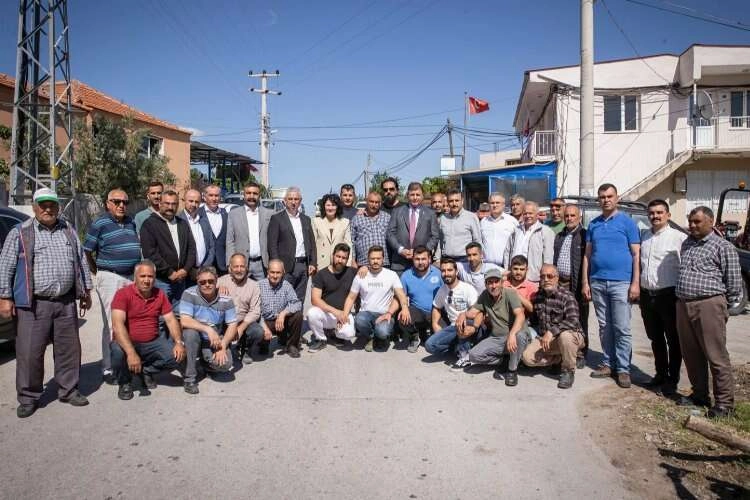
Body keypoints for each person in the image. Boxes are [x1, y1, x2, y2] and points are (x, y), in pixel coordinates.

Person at [0, 188, 93, 418]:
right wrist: (5, 297)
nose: (48, 209)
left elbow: (81, 260)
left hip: (66, 302)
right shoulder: (20, 232)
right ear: (34, 207)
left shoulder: (68, 230)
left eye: (52, 205)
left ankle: (69, 390)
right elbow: (6, 266)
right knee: (29, 352)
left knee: (68, 350)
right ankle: (28, 397)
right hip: (33, 304)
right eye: (43, 205)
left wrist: (86, 290)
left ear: (58, 207)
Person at [676, 206, 742, 418]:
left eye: (697, 221)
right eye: (690, 221)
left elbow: (734, 283)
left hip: (709, 305)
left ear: (711, 221)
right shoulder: (687, 243)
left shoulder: (723, 246)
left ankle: (725, 404)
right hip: (684, 304)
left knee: (716, 355)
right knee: (691, 354)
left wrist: (722, 307)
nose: (692, 225)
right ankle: (700, 395)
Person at [582, 183, 640, 388]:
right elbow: (587, 255)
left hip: (621, 283)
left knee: (621, 327)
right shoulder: (593, 224)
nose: (606, 200)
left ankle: (623, 369)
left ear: (617, 198)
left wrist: (635, 283)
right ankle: (608, 363)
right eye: (602, 197)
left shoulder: (628, 223)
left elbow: (636, 254)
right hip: (597, 281)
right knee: (604, 326)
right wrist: (586, 282)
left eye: (609, 196)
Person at [83, 188, 141, 385]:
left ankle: (127, 361)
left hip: (130, 277)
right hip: (110, 277)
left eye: (124, 202)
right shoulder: (100, 223)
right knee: (112, 323)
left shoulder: (131, 221)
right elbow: (87, 251)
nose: (121, 205)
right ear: (107, 203)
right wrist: (97, 272)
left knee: (130, 322)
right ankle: (109, 368)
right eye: (116, 201)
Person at [110, 260, 187, 399]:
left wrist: (178, 342)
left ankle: (145, 371)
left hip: (152, 341)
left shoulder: (160, 294)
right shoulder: (122, 294)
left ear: (155, 278)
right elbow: (117, 325)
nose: (146, 280)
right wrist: (131, 353)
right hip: (128, 342)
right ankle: (125, 382)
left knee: (177, 357)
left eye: (150, 276)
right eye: (143, 276)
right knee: (117, 351)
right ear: (135, 277)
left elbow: (170, 319)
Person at [639, 199, 687, 395]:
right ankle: (660, 374)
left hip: (668, 296)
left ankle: (672, 380)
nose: (655, 216)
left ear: (668, 215)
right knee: (655, 338)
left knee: (673, 339)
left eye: (659, 212)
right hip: (646, 295)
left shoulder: (679, 238)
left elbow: (685, 267)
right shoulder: (644, 236)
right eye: (652, 213)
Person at [522, 264, 585, 389]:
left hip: (570, 335)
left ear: (557, 278)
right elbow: (533, 321)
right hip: (547, 340)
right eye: (543, 276)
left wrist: (551, 332)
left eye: (550, 276)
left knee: (565, 337)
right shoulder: (538, 297)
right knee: (527, 358)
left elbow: (573, 321)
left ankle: (568, 371)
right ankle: (559, 359)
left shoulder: (567, 296)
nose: (546, 279)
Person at [179, 266, 238, 393]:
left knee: (225, 364)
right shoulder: (189, 294)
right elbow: (184, 320)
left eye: (211, 281)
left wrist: (223, 346)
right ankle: (189, 379)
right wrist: (208, 330)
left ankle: (205, 364)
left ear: (216, 281)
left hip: (213, 340)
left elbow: (232, 325)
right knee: (190, 333)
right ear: (197, 281)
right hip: (195, 337)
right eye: (202, 282)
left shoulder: (226, 299)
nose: (207, 284)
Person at [465, 268, 528, 386]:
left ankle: (512, 370)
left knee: (519, 336)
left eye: (496, 282)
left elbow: (520, 315)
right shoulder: (485, 295)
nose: (493, 286)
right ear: (486, 285)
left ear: (502, 282)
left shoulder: (510, 293)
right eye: (490, 282)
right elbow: (472, 312)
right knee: (473, 356)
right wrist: (462, 315)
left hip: (515, 335)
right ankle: (507, 359)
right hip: (497, 337)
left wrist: (512, 334)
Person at [342, 246, 409, 352]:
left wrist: (404, 308)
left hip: (385, 314)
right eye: (372, 258)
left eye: (378, 258)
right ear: (368, 259)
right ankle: (372, 337)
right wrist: (345, 314)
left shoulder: (391, 275)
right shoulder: (360, 275)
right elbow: (351, 297)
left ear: (383, 259)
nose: (375, 261)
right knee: (359, 320)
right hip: (366, 314)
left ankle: (381, 337)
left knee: (383, 331)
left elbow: (400, 294)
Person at [140, 190, 196, 308]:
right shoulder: (149, 224)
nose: (170, 207)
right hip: (161, 281)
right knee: (160, 314)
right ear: (160, 203)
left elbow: (191, 249)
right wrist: (169, 272)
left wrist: (185, 269)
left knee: (180, 314)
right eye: (167, 203)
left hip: (181, 280)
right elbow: (150, 253)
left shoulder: (182, 224)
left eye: (174, 204)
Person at [424, 258, 479, 364]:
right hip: (452, 327)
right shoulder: (442, 290)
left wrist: (464, 315)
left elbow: (477, 310)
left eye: (449, 270)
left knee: (462, 325)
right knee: (430, 345)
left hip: (468, 324)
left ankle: (465, 356)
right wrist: (435, 324)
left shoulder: (467, 288)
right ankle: (458, 348)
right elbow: (436, 307)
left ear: (456, 272)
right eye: (443, 271)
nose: (446, 274)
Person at [554, 204, 589, 368]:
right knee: (561, 317)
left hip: (576, 283)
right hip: (560, 283)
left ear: (579, 217)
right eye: (566, 216)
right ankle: (563, 351)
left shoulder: (584, 235)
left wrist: (585, 284)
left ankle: (581, 353)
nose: (569, 218)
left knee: (579, 318)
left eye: (572, 215)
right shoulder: (560, 235)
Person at [267, 187, 317, 302]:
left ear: (300, 201)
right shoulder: (277, 219)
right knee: (283, 300)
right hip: (285, 267)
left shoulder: (306, 219)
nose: (293, 202)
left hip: (303, 266)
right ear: (285, 201)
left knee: (299, 301)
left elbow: (311, 243)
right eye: (290, 199)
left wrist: (312, 262)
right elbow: (272, 245)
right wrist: (276, 266)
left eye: (296, 199)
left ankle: (297, 315)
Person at [307, 243, 358, 351]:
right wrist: (336, 312)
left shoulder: (352, 272)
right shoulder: (321, 274)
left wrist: (365, 269)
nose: (340, 260)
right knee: (312, 313)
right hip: (326, 313)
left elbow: (368, 272)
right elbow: (315, 300)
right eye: (338, 256)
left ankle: (335, 334)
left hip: (344, 314)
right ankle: (321, 339)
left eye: (344, 258)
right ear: (333, 255)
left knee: (349, 334)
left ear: (347, 259)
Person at [217, 254, 266, 364]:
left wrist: (241, 328)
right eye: (236, 266)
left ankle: (246, 349)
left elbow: (255, 311)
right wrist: (216, 289)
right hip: (224, 322)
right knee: (225, 360)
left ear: (246, 268)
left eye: (242, 266)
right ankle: (225, 345)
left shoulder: (254, 285)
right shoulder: (220, 281)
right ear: (230, 268)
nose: (239, 270)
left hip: (243, 321)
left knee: (258, 331)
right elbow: (204, 289)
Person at [386, 181, 439, 274]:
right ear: (407, 195)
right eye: (412, 195)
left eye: (418, 195)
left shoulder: (430, 213)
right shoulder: (397, 211)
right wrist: (401, 250)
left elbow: (435, 236)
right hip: (400, 264)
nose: (415, 197)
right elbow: (390, 234)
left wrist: (422, 252)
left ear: (422, 196)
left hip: (422, 263)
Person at [397, 246, 443, 353]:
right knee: (403, 318)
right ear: (413, 259)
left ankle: (426, 332)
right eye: (417, 259)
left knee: (441, 339)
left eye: (423, 259)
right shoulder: (406, 276)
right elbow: (401, 295)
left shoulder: (439, 273)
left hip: (436, 312)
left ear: (429, 259)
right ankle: (414, 336)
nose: (420, 262)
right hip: (418, 311)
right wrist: (404, 308)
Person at [225, 181, 274, 281]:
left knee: (262, 291)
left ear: (259, 195)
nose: (251, 196)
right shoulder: (233, 214)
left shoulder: (269, 214)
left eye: (255, 193)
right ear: (244, 195)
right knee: (240, 291)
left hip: (262, 265)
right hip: (240, 265)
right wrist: (230, 263)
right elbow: (230, 241)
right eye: (248, 193)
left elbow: (273, 240)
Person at [258, 259, 304, 358]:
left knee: (298, 315)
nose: (275, 276)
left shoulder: (286, 285)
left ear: (283, 273)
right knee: (258, 330)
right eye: (272, 272)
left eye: (278, 273)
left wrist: (283, 313)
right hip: (266, 321)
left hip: (281, 320)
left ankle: (292, 345)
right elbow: (255, 311)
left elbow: (297, 303)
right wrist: (264, 328)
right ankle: (263, 344)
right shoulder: (259, 286)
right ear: (267, 272)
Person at [503, 201, 555, 283]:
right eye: (525, 213)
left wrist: (545, 277)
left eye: (530, 213)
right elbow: (507, 251)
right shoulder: (516, 230)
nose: (528, 216)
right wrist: (507, 270)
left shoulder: (546, 231)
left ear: (537, 214)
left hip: (534, 278)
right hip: (514, 276)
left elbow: (548, 257)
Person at [181, 189, 216, 283]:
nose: (194, 204)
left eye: (197, 202)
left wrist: (203, 269)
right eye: (191, 201)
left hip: (204, 272)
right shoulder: (178, 220)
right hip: (186, 274)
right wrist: (189, 269)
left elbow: (211, 246)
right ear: (184, 200)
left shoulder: (204, 220)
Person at [350, 191, 391, 268]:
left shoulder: (387, 218)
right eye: (371, 201)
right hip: (363, 264)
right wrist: (352, 260)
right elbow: (352, 241)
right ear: (366, 201)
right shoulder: (357, 219)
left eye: (376, 202)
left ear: (380, 203)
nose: (374, 205)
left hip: (384, 263)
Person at [439, 188, 481, 262]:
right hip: (447, 259)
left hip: (465, 259)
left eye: (457, 200)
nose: (454, 204)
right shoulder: (443, 218)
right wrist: (437, 259)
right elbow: (440, 240)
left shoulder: (471, 217)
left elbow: (477, 240)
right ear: (447, 202)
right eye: (451, 201)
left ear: (462, 201)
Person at [312, 193, 353, 269]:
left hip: (339, 264)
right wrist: (313, 264)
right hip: (321, 265)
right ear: (324, 206)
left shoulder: (345, 222)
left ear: (337, 207)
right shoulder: (316, 222)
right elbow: (312, 245)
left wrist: (348, 264)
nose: (330, 208)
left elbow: (349, 244)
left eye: (333, 205)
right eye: (328, 205)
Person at [480, 193, 518, 268]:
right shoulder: (483, 222)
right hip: (486, 266)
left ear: (503, 205)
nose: (495, 205)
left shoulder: (512, 222)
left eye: (497, 203)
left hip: (505, 266)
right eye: (492, 203)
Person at [199, 185, 229, 275]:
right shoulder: (198, 214)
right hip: (204, 264)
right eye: (211, 195)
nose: (214, 198)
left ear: (220, 197)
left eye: (216, 195)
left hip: (223, 265)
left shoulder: (226, 214)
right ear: (204, 197)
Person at [502, 255, 539, 319]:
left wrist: (516, 294)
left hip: (524, 321)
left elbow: (532, 309)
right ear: (510, 269)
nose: (518, 272)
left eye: (522, 269)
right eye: (515, 269)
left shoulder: (532, 287)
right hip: (503, 319)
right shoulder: (504, 284)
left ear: (526, 270)